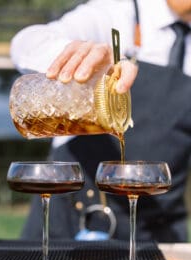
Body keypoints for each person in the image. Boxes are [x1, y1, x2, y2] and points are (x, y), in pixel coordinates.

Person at [10, 0, 191, 242]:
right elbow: (27, 41)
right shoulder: (117, 12)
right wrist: (75, 57)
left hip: (157, 230)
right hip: (76, 216)